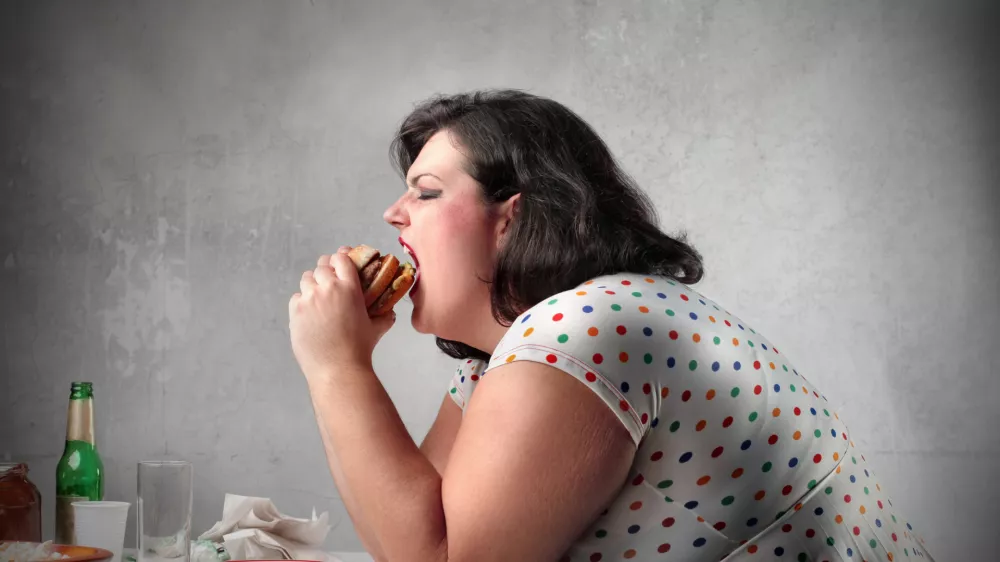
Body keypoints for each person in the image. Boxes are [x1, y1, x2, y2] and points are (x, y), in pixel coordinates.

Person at [287, 90, 935, 562]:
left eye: (425, 191)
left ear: (512, 216)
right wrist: (337, 364)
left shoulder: (583, 331)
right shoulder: (506, 360)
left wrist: (336, 367)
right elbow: (408, 535)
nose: (393, 213)